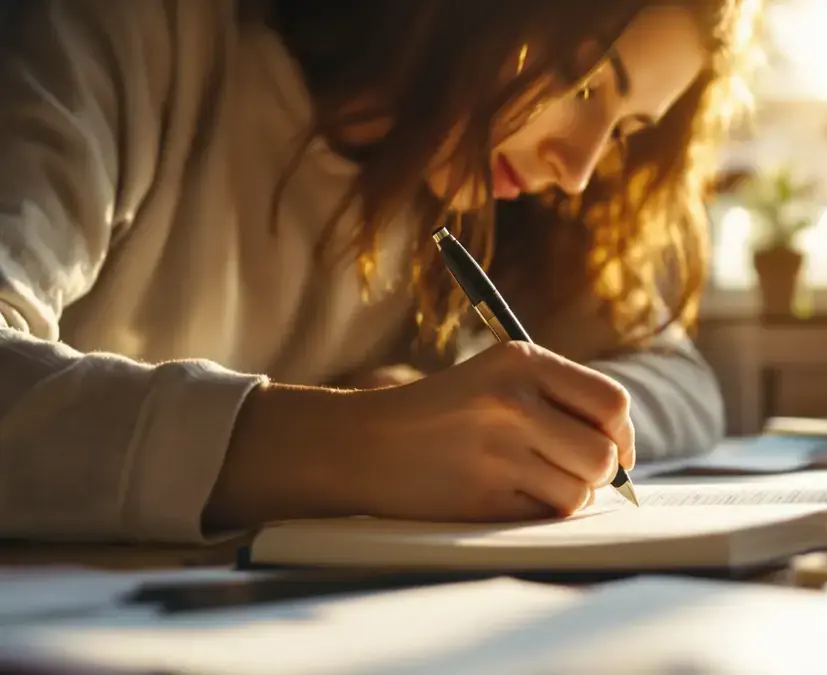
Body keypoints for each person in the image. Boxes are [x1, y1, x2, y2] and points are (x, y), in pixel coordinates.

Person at [0, 0, 755, 543]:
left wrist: (513, 427)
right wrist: (351, 445)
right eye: (583, 83)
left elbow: (678, 380)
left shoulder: (500, 197)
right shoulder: (130, 33)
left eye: (623, 132)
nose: (580, 169)